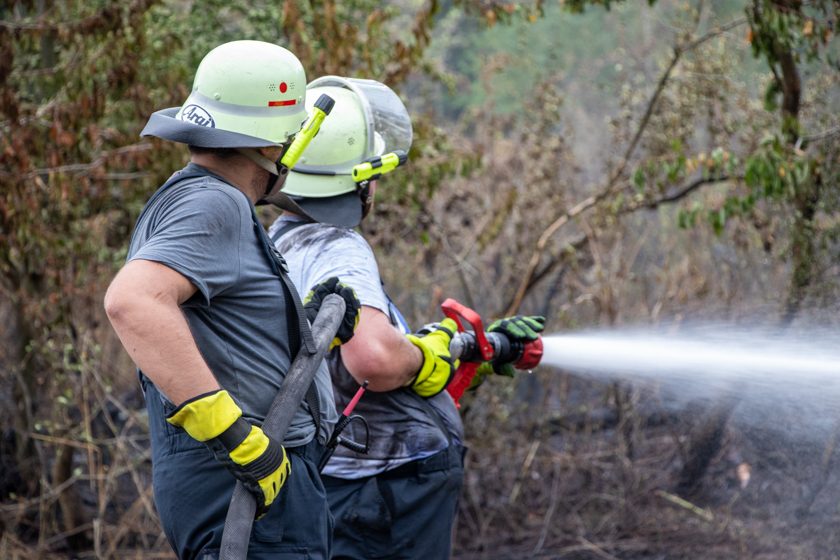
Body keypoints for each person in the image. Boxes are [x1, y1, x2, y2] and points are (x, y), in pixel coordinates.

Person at [268, 76, 545, 559]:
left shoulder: (278, 242)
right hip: (386, 489)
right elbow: (372, 359)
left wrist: (446, 354)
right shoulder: (337, 246)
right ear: (360, 179)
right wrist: (424, 358)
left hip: (337, 483)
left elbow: (330, 353)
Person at [104, 41, 359, 560]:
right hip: (246, 489)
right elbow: (133, 302)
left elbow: (219, 330)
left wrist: (303, 325)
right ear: (273, 144)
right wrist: (237, 439)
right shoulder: (214, 201)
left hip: (242, 485)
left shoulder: (191, 196)